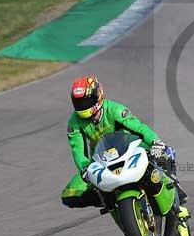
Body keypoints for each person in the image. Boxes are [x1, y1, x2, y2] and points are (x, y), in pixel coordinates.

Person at [61, 74, 185, 210]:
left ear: (98, 94)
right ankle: (110, 202)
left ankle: (173, 188)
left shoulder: (115, 109)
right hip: (101, 160)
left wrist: (155, 142)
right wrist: (84, 168)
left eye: (87, 101)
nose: (83, 106)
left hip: (129, 149)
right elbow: (77, 149)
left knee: (163, 153)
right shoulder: (74, 122)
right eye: (78, 102)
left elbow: (139, 127)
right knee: (69, 195)